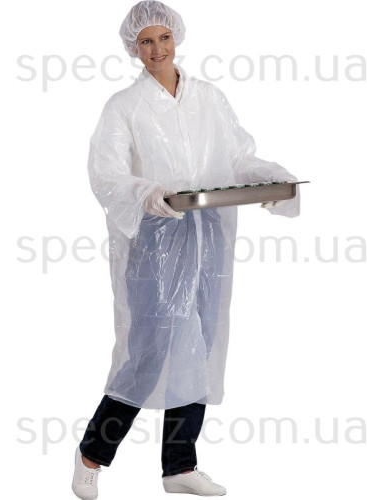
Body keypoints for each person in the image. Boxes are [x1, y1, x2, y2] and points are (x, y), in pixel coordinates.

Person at [72, 1, 301, 498]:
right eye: (146, 41)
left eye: (164, 38)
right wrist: (146, 193)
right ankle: (91, 456)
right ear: (134, 47)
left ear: (176, 39)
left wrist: (272, 178)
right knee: (148, 352)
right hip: (156, 243)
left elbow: (237, 157)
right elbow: (106, 174)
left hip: (209, 239)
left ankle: (179, 466)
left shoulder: (209, 99)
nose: (157, 49)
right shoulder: (124, 106)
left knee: (200, 346)